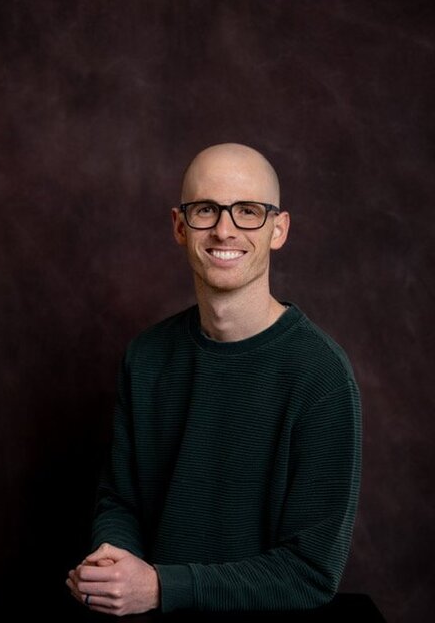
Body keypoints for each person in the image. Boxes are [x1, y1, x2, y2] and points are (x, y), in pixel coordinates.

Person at [66, 143, 362, 616]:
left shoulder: (321, 376)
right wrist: (111, 563)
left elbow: (310, 573)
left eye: (248, 211)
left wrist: (161, 587)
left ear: (279, 229)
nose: (225, 229)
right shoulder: (146, 357)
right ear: (180, 226)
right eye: (206, 209)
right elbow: (121, 500)